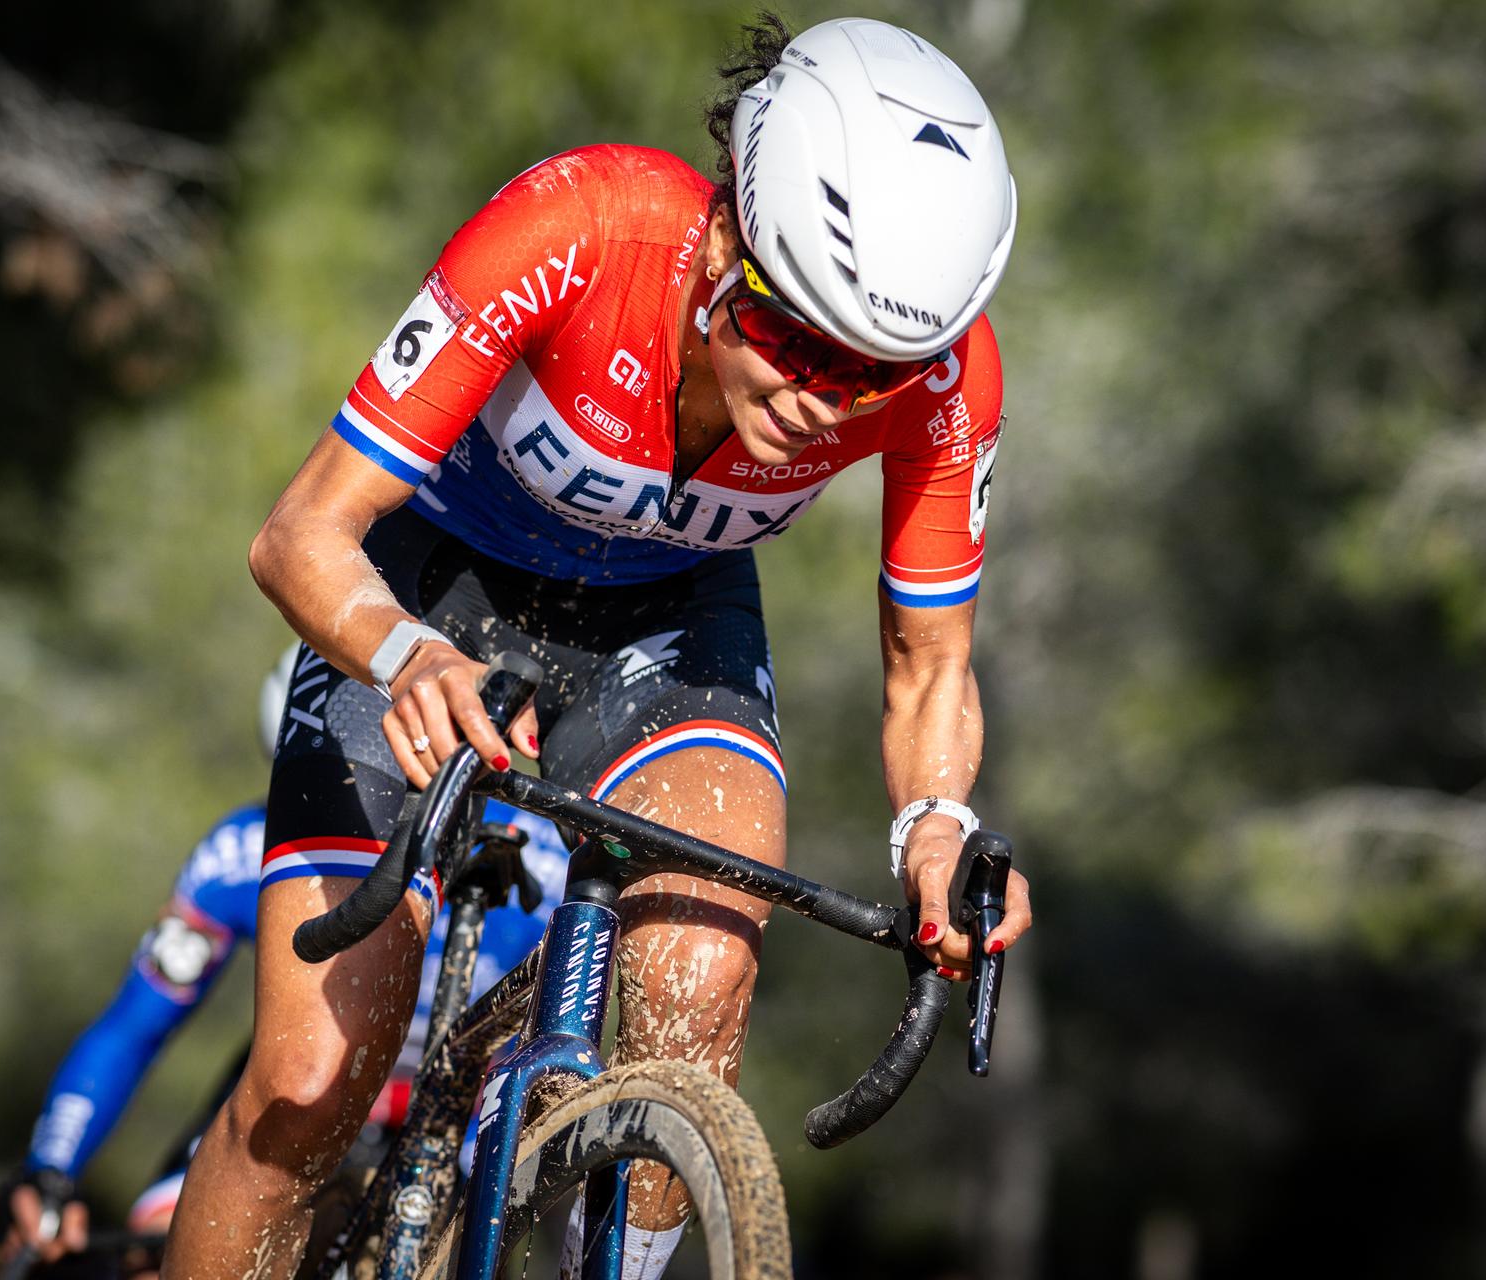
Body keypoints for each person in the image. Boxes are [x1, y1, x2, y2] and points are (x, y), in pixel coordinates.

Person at [163, 14, 1035, 1278]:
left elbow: (932, 666)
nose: (818, 402)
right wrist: (405, 656)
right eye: (793, 339)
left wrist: (936, 828)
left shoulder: (946, 379)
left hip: (666, 624)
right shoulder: (578, 226)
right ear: (726, 236)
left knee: (700, 981)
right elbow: (298, 533)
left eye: (866, 376)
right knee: (308, 1082)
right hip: (428, 588)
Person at [0, 648, 568, 1266]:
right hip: (299, 1096)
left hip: (457, 1122)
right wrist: (50, 1168)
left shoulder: (537, 856)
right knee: (157, 1254)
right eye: (304, 797)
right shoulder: (242, 846)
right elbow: (134, 1027)